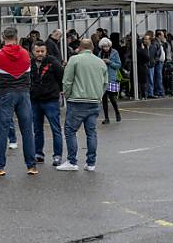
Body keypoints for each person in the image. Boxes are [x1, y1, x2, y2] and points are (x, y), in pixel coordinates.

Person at [0, 28, 35, 177]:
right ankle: (31, 165)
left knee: (2, 130)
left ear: (3, 37)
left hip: (6, 93)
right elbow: (28, 70)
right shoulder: (25, 53)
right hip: (24, 93)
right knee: (27, 130)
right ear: (17, 37)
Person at [58, 39, 108, 172]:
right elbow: (105, 83)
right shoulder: (100, 62)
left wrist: (67, 96)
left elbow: (67, 81)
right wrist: (98, 96)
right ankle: (91, 163)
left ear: (79, 47)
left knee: (70, 131)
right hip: (94, 101)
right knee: (91, 133)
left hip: (77, 101)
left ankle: (72, 161)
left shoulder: (74, 60)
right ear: (92, 47)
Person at [29, 40, 64, 167]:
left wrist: (59, 92)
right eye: (37, 51)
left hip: (51, 101)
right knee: (37, 129)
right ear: (33, 51)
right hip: (35, 101)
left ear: (46, 51)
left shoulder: (53, 62)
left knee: (56, 129)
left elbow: (62, 78)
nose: (40, 53)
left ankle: (57, 156)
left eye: (42, 51)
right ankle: (38, 154)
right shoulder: (30, 63)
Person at [98, 38, 122, 124]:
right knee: (104, 99)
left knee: (112, 98)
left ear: (109, 45)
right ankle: (106, 118)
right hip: (103, 78)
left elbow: (119, 65)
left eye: (107, 46)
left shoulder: (115, 52)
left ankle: (117, 112)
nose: (106, 48)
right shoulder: (100, 53)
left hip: (111, 77)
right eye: (104, 47)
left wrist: (110, 62)